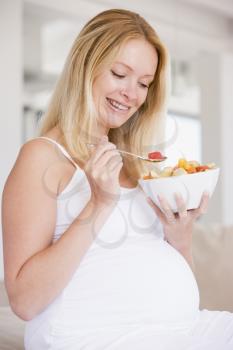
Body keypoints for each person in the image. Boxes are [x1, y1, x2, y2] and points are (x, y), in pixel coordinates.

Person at [2, 8, 233, 350]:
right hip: (98, 338)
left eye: (143, 84)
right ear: (86, 65)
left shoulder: (134, 164)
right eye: (120, 74)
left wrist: (180, 238)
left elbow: (169, 274)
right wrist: (98, 204)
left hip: (184, 329)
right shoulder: (42, 157)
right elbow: (24, 301)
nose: (132, 94)